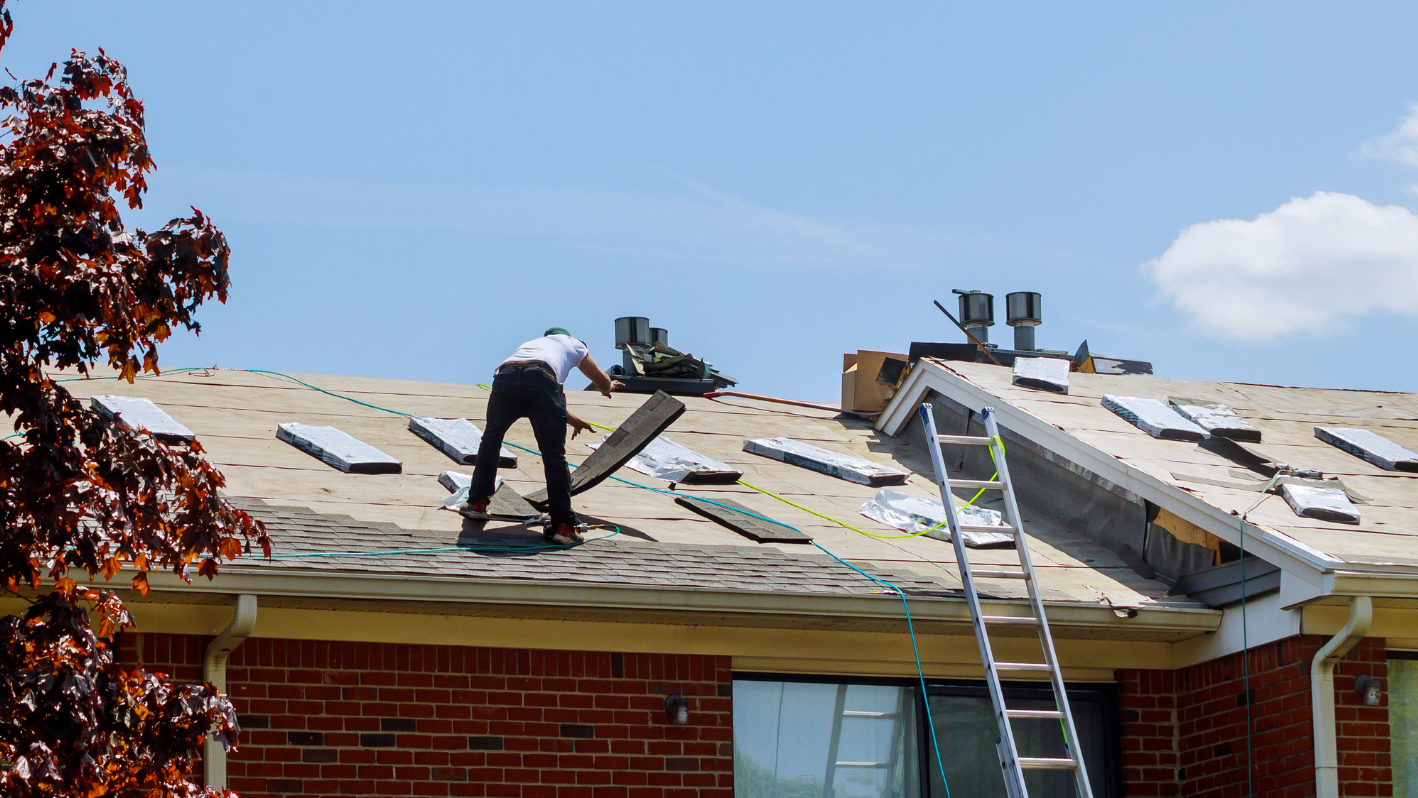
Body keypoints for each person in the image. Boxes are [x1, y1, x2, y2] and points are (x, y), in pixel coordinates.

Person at [461, 327, 621, 544]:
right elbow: (596, 381)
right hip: (541, 381)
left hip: (506, 377)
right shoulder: (575, 344)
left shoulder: (533, 345)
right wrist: (607, 387)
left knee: (491, 439)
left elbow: (541, 390)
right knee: (554, 455)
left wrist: (571, 419)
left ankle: (477, 504)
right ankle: (563, 526)